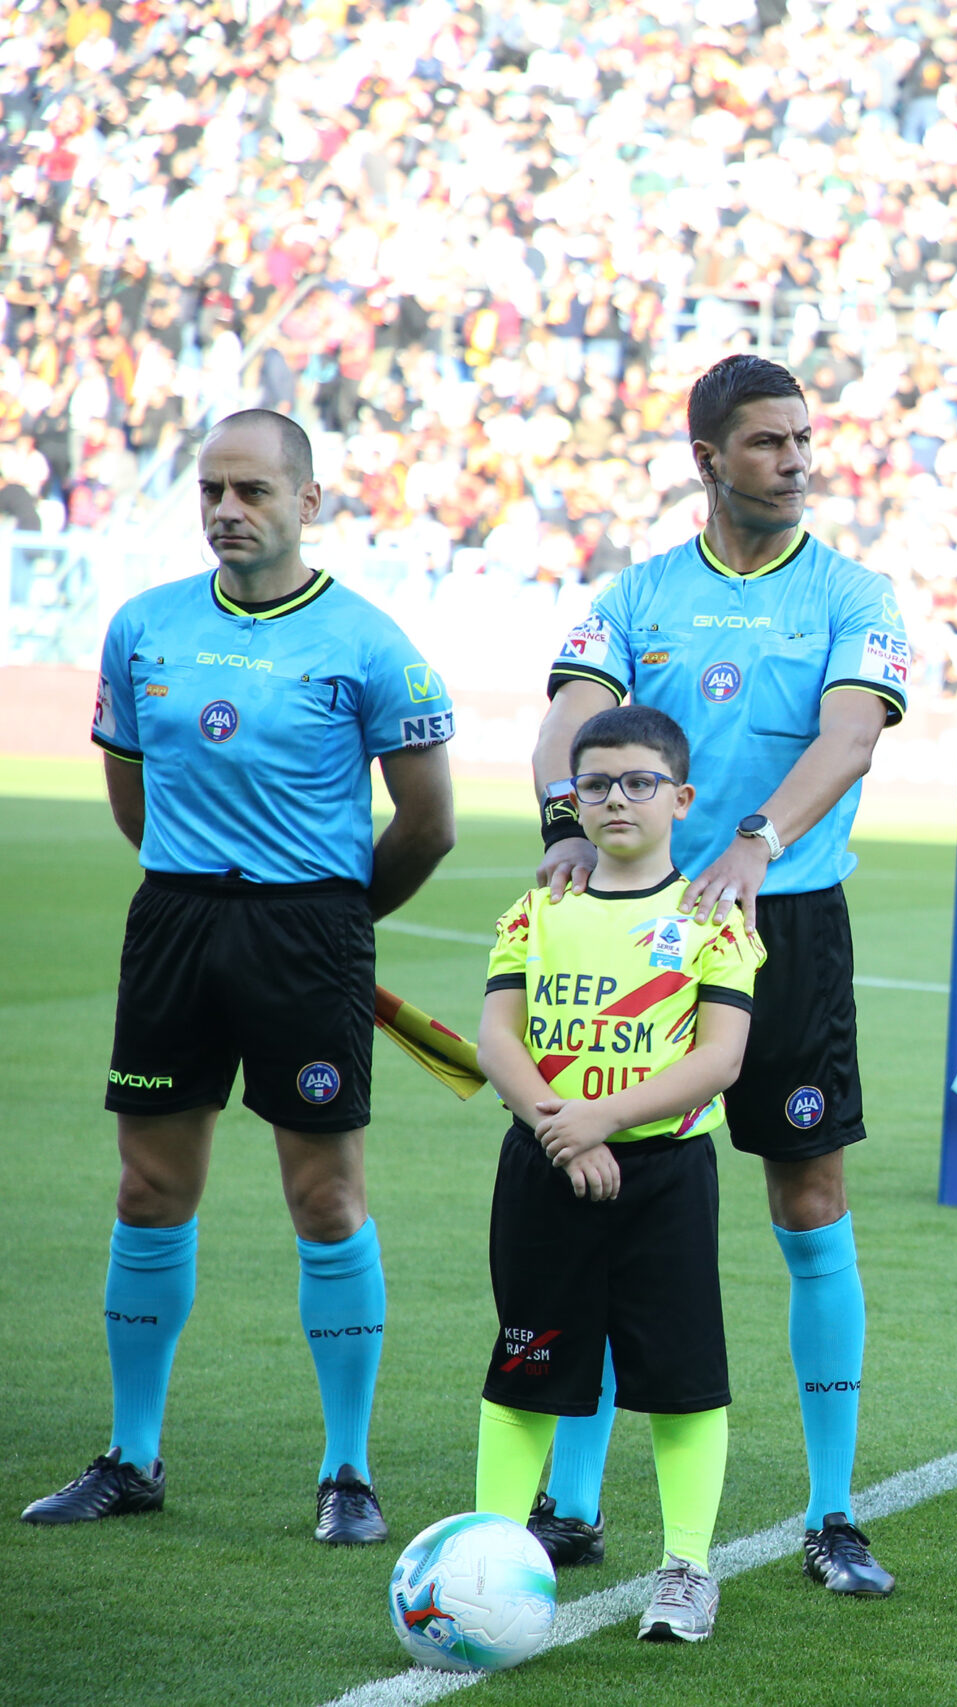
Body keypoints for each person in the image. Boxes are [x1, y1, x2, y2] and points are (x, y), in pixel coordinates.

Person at [23, 409, 456, 1541]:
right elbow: (134, 794)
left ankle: (348, 1473)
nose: (227, 509)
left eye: (253, 491)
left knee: (325, 1197)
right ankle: (133, 1455)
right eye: (213, 489)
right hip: (174, 921)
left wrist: (338, 922)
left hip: (309, 931)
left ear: (308, 503)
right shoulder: (144, 627)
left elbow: (429, 821)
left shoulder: (369, 641)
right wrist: (195, 893)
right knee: (148, 1193)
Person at [534, 354, 910, 1595]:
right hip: (639, 938)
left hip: (785, 923)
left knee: (808, 1204)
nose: (797, 460)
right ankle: (573, 1508)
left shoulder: (854, 593)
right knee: (606, 1193)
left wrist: (759, 838)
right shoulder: (637, 596)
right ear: (708, 458)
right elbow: (573, 721)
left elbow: (851, 735)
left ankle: (833, 1513)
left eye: (804, 439)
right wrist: (563, 825)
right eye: (767, 443)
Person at [474, 704, 763, 1645]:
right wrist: (562, 1129)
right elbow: (498, 1037)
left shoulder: (713, 920)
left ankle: (686, 1568)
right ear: (573, 799)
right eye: (594, 784)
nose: (616, 799)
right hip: (544, 1166)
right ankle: (487, 1557)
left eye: (640, 782)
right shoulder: (539, 907)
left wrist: (599, 1118)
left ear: (681, 798)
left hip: (663, 1174)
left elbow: (717, 1058)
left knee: (681, 1381)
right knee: (525, 1366)